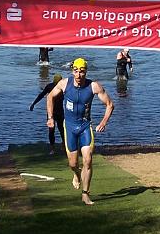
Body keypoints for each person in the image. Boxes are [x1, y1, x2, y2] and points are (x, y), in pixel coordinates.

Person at [46, 57, 114, 205]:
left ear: (86, 72)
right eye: (76, 71)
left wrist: (103, 122)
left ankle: (85, 194)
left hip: (85, 126)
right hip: (69, 126)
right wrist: (50, 117)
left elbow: (109, 104)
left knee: (88, 160)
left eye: (82, 72)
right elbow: (50, 97)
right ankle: (76, 174)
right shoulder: (64, 84)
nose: (78, 75)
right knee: (73, 164)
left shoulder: (93, 86)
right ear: (72, 71)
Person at [30, 73, 65, 154]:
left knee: (52, 131)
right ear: (61, 80)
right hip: (58, 112)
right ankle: (63, 146)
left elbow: (41, 95)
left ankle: (53, 148)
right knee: (61, 130)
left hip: (51, 112)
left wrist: (33, 104)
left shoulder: (50, 86)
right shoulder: (62, 87)